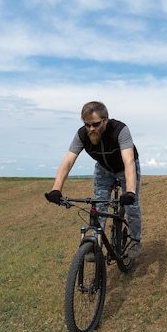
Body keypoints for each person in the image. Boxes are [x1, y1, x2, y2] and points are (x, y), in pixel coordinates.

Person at [45, 101, 142, 259]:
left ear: (106, 120)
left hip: (125, 169)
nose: (91, 129)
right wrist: (56, 189)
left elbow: (129, 162)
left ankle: (136, 241)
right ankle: (94, 244)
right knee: (99, 206)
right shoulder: (82, 134)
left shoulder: (120, 130)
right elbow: (68, 161)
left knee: (132, 207)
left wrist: (130, 191)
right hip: (104, 169)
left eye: (95, 124)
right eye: (87, 125)